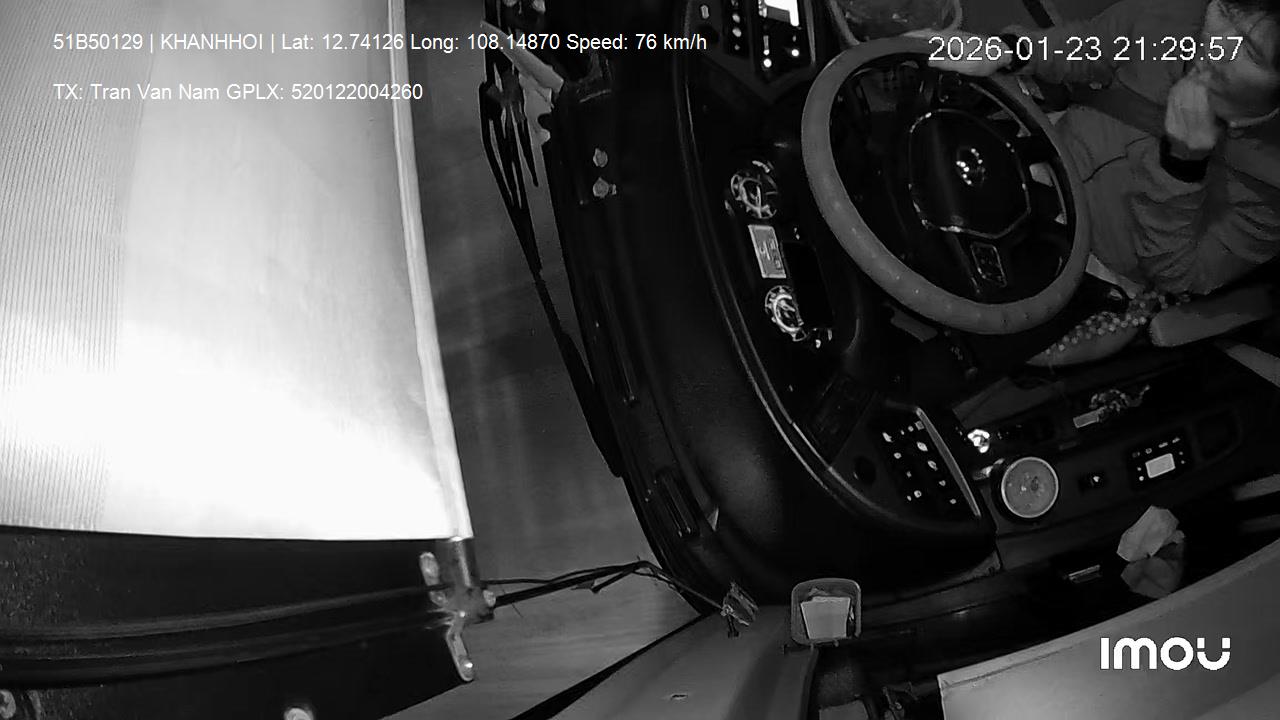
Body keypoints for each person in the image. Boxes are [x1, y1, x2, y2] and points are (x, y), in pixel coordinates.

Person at [925, 0, 1280, 297]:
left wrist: (1182, 168)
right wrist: (1008, 51)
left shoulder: (1269, 189)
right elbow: (1087, 47)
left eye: (1250, 50)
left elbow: (1177, 275)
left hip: (1096, 265)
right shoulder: (1172, 17)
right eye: (1224, 11)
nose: (1216, 45)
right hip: (1045, 153)